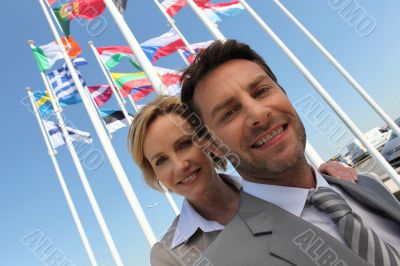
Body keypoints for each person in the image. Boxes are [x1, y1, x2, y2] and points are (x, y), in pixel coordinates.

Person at [180, 39, 400, 266]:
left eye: (262, 91)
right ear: (212, 145)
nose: (258, 113)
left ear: (283, 93)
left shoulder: (367, 185)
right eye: (229, 112)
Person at [127, 96, 358, 266]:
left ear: (207, 140)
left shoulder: (280, 187)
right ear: (154, 173)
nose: (179, 166)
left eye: (184, 144)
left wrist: (323, 179)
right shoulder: (169, 256)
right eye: (161, 160)